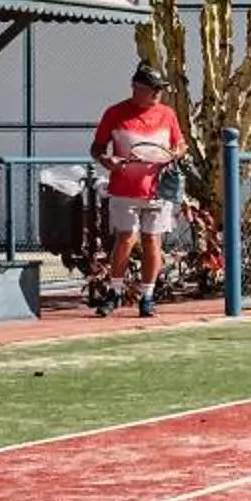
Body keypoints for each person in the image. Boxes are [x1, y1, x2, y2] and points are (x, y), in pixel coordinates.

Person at [90, 64, 184, 316]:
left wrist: (176, 153)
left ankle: (148, 296)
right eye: (153, 89)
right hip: (124, 190)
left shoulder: (167, 114)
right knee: (125, 239)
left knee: (152, 240)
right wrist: (107, 160)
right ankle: (115, 292)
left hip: (158, 191)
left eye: (160, 90)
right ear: (136, 88)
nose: (157, 94)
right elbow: (96, 148)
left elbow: (180, 145)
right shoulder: (115, 113)